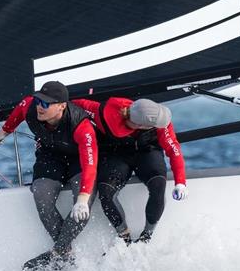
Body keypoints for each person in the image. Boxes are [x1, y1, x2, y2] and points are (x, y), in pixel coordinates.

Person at [0, 81, 98, 271]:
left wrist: (82, 199)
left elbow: (90, 165)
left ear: (62, 106)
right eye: (39, 100)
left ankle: (58, 252)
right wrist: (0, 135)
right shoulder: (30, 107)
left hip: (78, 161)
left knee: (83, 205)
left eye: (46, 104)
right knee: (41, 195)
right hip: (49, 157)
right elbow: (17, 114)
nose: (40, 106)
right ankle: (66, 255)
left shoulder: (81, 125)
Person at [71, 96, 187, 244]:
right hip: (116, 154)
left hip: (147, 152)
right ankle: (124, 238)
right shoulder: (105, 112)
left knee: (158, 185)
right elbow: (74, 105)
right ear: (142, 125)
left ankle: (146, 237)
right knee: (105, 192)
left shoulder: (159, 118)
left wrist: (180, 182)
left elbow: (173, 148)